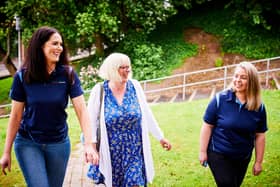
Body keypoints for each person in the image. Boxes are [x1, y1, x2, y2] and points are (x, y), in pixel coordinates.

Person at [0, 26, 97, 187]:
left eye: (60, 44)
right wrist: (6, 152)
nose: (59, 48)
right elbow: (16, 116)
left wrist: (89, 145)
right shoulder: (22, 77)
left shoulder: (68, 74)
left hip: (59, 143)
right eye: (54, 43)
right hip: (28, 143)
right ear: (40, 46)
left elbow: (82, 111)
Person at [86, 52, 172, 187]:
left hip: (134, 150)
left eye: (128, 67)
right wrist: (91, 147)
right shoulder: (100, 90)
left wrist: (160, 137)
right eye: (122, 67)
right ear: (112, 69)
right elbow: (90, 122)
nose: (127, 70)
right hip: (111, 151)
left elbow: (146, 114)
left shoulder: (135, 86)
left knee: (135, 182)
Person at [199, 61, 268, 187]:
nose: (238, 80)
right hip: (219, 153)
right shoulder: (219, 99)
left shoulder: (259, 107)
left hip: (242, 157)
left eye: (243, 77)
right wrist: (202, 151)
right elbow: (207, 126)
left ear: (252, 81)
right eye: (236, 76)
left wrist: (258, 162)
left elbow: (260, 135)